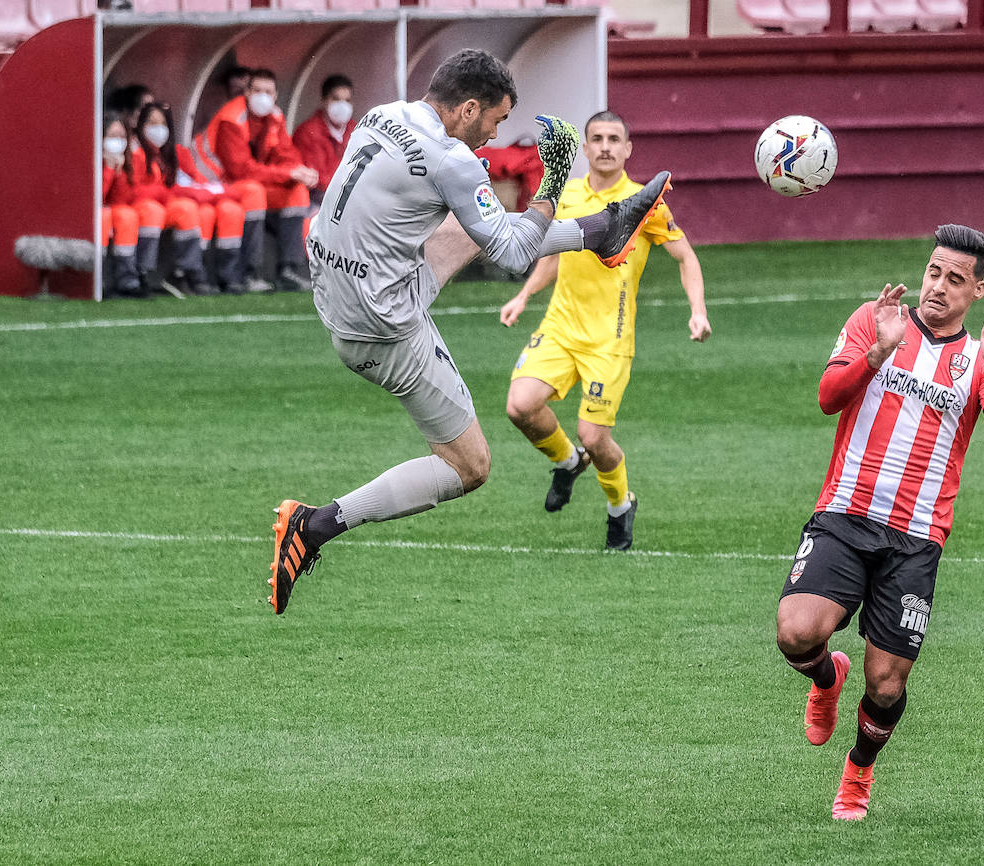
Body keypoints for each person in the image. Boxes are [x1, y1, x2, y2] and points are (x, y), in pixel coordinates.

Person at [266, 48, 672, 615]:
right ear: (469, 109)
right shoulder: (451, 159)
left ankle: (600, 232)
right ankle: (317, 524)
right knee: (469, 465)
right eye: (497, 120)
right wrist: (552, 184)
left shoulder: (384, 114)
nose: (494, 132)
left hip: (339, 292)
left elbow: (467, 217)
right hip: (385, 327)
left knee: (468, 217)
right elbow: (513, 253)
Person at [775, 224, 984, 821]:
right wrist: (876, 353)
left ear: (978, 290)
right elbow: (827, 397)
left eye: (956, 279)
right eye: (934, 272)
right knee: (796, 632)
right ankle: (824, 676)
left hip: (915, 538)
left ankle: (858, 773)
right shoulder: (877, 319)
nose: (938, 287)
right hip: (845, 512)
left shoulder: (978, 359)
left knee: (887, 686)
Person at [498, 110, 710, 550]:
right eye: (597, 138)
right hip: (559, 328)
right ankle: (566, 462)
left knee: (595, 437)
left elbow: (686, 257)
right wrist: (523, 297)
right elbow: (552, 256)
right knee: (520, 406)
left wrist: (698, 310)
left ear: (628, 148)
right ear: (587, 147)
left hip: (609, 340)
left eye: (615, 138)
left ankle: (619, 506)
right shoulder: (569, 194)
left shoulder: (643, 201)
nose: (606, 146)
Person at [194, 67, 316, 293]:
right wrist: (286, 173)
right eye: (257, 90)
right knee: (254, 191)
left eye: (268, 92)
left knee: (297, 191)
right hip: (214, 183)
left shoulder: (275, 116)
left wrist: (299, 171)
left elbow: (286, 155)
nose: (263, 96)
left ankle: (289, 269)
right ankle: (251, 272)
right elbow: (240, 170)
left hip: (245, 183)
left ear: (275, 95)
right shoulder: (232, 117)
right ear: (246, 92)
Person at [128, 102, 254, 296]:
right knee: (174, 209)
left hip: (165, 206)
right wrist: (171, 194)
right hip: (141, 207)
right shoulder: (136, 152)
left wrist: (211, 194)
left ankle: (197, 273)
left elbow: (194, 182)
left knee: (211, 210)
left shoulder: (172, 153)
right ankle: (143, 274)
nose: (157, 129)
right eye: (151, 123)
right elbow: (134, 191)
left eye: (162, 124)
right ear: (140, 125)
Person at [292, 74, 357, 209]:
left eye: (347, 100)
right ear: (324, 100)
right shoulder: (308, 132)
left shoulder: (356, 130)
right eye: (336, 99)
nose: (343, 105)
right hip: (318, 197)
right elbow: (315, 178)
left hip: (347, 195)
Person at [100, 114, 143, 299]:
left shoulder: (127, 160)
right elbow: (96, 195)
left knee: (128, 215)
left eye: (121, 137)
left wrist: (119, 173)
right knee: (102, 216)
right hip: (94, 210)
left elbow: (123, 198)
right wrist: (108, 169)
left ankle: (127, 279)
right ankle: (97, 278)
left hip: (113, 208)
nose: (117, 141)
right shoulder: (91, 159)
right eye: (112, 136)